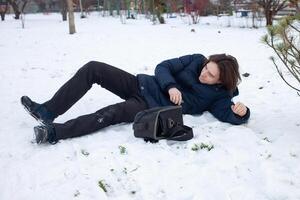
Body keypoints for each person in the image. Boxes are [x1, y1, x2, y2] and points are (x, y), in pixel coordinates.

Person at [21, 53, 250, 144]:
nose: (204, 73)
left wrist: (242, 113)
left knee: (111, 113)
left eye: (210, 75)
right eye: (206, 68)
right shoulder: (196, 60)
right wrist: (170, 85)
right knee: (94, 68)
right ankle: (47, 111)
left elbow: (228, 113)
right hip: (141, 83)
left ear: (220, 82)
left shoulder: (219, 96)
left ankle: (54, 132)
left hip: (148, 105)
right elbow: (163, 67)